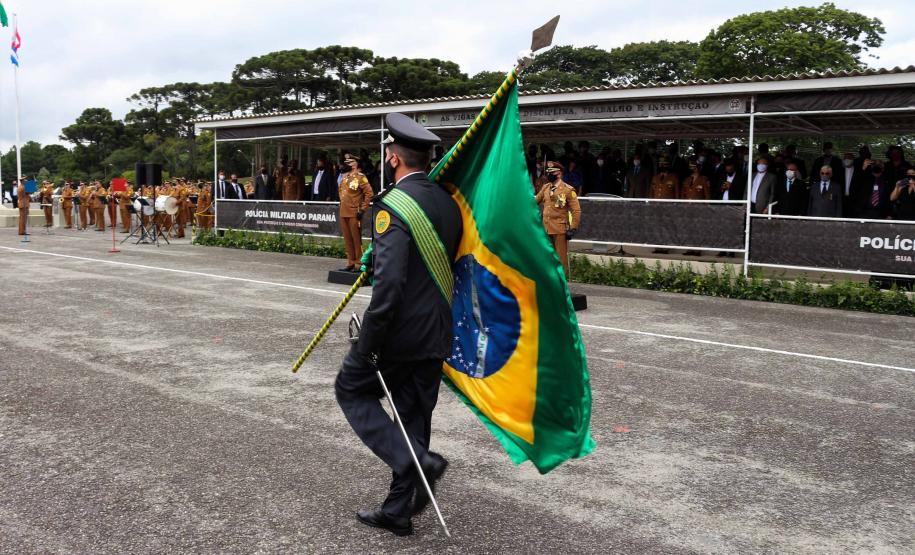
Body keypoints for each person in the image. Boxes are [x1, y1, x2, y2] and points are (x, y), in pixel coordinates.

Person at [334, 112, 461, 537]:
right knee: (413, 417)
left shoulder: (393, 206)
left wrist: (369, 342)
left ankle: (416, 464)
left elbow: (390, 286)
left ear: (393, 158)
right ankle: (397, 510)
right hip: (437, 329)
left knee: (351, 389)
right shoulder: (448, 202)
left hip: (400, 334)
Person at [535, 161, 581, 278]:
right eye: (548, 172)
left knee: (560, 259)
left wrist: (573, 228)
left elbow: (576, 210)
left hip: (559, 229)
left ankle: (561, 284)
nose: (548, 174)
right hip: (545, 228)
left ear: (559, 174)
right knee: (546, 257)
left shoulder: (568, 190)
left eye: (552, 172)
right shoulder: (546, 187)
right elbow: (534, 202)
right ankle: (549, 282)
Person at [337, 153, 374, 272]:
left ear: (354, 165)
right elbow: (342, 193)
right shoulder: (345, 178)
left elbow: (369, 194)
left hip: (354, 213)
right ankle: (350, 262)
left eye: (348, 163)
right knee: (347, 239)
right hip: (343, 212)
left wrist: (363, 209)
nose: (345, 165)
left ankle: (358, 263)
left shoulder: (360, 177)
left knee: (356, 239)